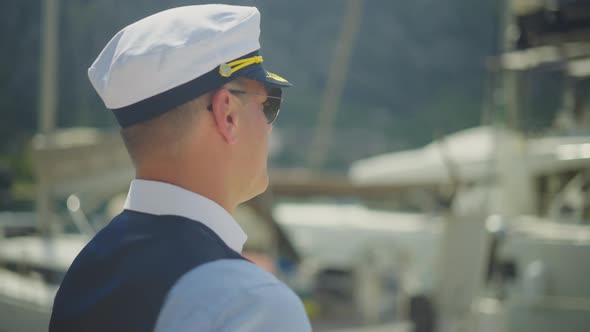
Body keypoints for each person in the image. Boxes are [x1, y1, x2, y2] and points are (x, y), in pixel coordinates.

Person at [49, 4, 311, 332]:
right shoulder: (252, 304)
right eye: (269, 103)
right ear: (227, 114)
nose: (270, 127)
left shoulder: (84, 272)